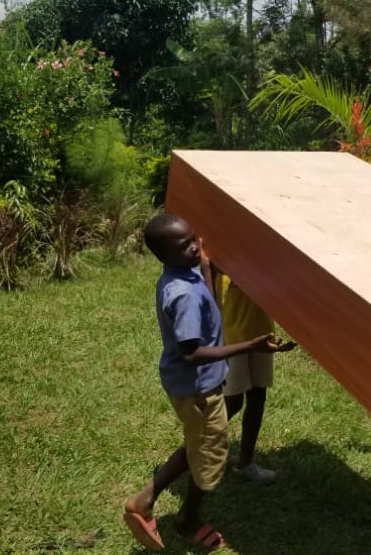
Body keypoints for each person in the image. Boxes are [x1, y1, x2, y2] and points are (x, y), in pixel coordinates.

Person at [123, 214, 295, 552]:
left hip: (193, 385)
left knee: (197, 443)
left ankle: (147, 500)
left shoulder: (182, 274)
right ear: (163, 255)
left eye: (194, 239)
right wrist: (250, 345)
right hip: (198, 387)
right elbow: (192, 353)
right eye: (184, 245)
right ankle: (185, 519)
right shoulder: (184, 295)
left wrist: (203, 265)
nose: (194, 247)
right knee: (210, 456)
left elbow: (207, 297)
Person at [202, 258, 282, 485]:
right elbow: (208, 292)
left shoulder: (265, 251)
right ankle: (195, 448)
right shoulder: (215, 253)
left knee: (258, 395)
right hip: (231, 337)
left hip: (261, 332)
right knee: (233, 401)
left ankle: (245, 462)